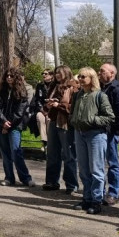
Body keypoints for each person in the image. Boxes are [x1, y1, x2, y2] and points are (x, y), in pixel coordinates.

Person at [69, 67, 115, 214]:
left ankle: (96, 200)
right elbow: (72, 112)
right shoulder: (78, 95)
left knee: (96, 170)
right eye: (80, 77)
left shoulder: (100, 96)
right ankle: (86, 198)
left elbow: (109, 117)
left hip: (95, 135)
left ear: (91, 78)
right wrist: (74, 121)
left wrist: (92, 120)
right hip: (80, 133)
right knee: (83, 169)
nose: (80, 79)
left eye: (83, 77)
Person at [0, 68, 36, 187]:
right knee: (5, 153)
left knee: (16, 152)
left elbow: (20, 112)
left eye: (11, 76)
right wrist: (3, 122)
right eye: (7, 76)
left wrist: (9, 124)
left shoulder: (22, 92)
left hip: (15, 126)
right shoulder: (2, 91)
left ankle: (25, 178)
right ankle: (9, 177)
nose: (9, 78)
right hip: (2, 125)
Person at [42, 65, 79, 194]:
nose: (57, 75)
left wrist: (59, 105)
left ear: (66, 73)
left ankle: (71, 184)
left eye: (60, 73)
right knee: (52, 153)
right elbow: (46, 105)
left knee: (68, 155)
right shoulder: (53, 86)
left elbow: (73, 107)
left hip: (66, 124)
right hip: (53, 121)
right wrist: (48, 105)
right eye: (56, 73)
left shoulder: (73, 87)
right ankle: (52, 182)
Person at [99, 63, 119, 206]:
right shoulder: (99, 87)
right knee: (98, 163)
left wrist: (116, 130)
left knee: (112, 163)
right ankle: (99, 191)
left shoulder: (118, 89)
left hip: (111, 131)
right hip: (99, 130)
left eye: (102, 71)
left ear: (111, 73)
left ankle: (113, 192)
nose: (99, 73)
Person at [30, 69, 55, 154]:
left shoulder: (55, 85)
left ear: (51, 75)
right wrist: (42, 110)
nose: (44, 75)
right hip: (42, 108)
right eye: (43, 73)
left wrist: (49, 110)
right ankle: (45, 142)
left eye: (46, 74)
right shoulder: (40, 85)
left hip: (52, 109)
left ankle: (51, 142)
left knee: (48, 119)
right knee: (39, 117)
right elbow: (37, 100)